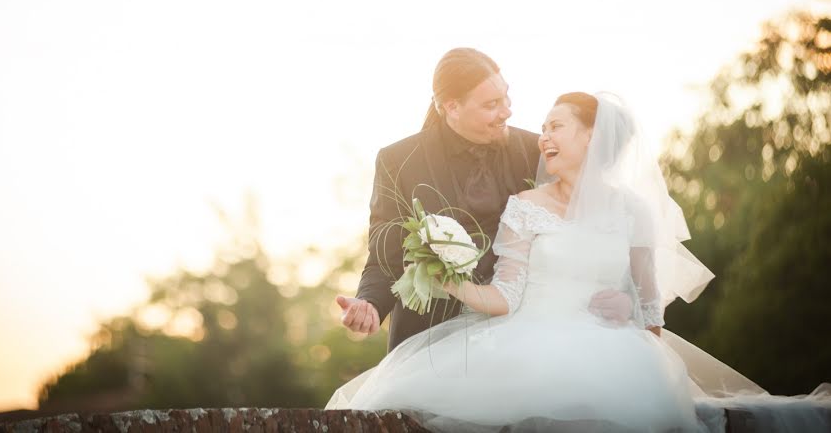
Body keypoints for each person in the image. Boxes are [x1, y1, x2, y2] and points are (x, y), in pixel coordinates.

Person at [327, 92, 831, 432]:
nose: (542, 136)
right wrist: (447, 276)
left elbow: (651, 307)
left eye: (556, 127)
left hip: (610, 351)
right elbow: (504, 297)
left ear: (591, 137)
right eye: (543, 126)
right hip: (520, 344)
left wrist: (634, 322)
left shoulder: (632, 209)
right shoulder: (525, 207)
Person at [336, 50, 628, 352]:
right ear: (452, 107)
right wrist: (369, 302)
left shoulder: (538, 152)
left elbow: (583, 230)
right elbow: (386, 249)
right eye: (491, 105)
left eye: (506, 98)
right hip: (430, 339)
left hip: (525, 339)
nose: (506, 112)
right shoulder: (398, 161)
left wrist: (619, 294)